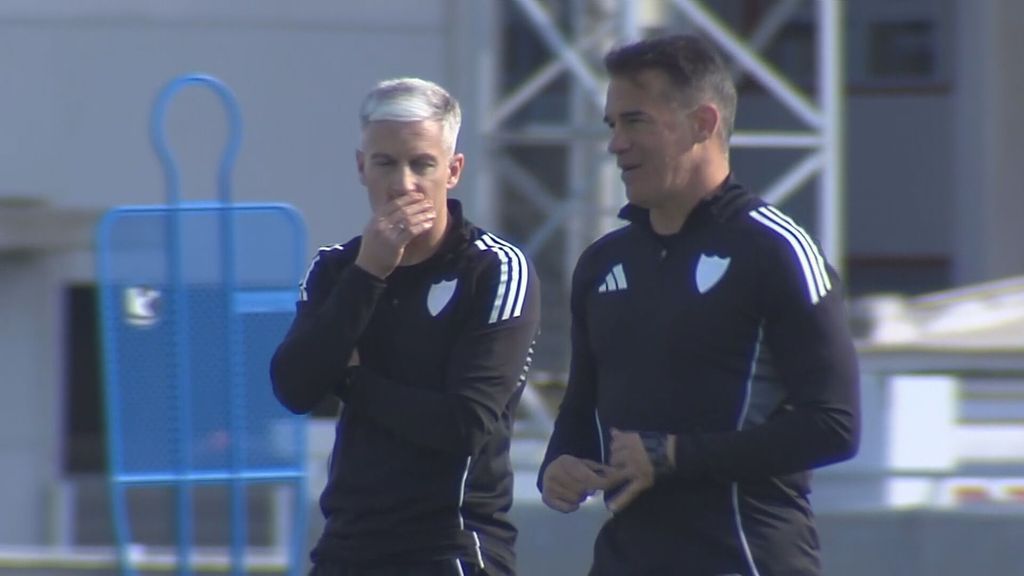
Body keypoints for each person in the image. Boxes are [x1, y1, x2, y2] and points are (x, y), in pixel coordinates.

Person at [538, 34, 860, 576]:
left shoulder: (777, 252)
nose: (617, 144)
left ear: (703, 124)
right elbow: (581, 412)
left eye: (636, 121)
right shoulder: (601, 263)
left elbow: (835, 425)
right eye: (611, 125)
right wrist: (560, 467)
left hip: (744, 556)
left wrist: (675, 455)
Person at [271, 77, 540, 576]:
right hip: (347, 544)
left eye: (422, 164)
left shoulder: (494, 269)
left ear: (453, 171)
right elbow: (294, 387)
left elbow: (466, 423)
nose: (404, 184)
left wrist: (352, 381)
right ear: (360, 167)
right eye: (386, 163)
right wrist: (369, 273)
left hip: (450, 547)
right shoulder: (336, 268)